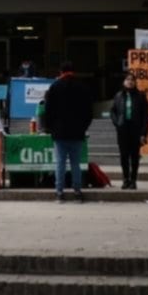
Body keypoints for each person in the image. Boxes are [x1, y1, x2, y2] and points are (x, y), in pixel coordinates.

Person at [42, 61, 94, 203]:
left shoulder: (55, 86)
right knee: (75, 163)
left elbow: (48, 111)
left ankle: (59, 192)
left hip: (59, 133)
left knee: (60, 163)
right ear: (73, 71)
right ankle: (77, 192)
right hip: (77, 132)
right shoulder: (82, 87)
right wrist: (83, 127)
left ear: (60, 71)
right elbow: (89, 111)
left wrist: (50, 128)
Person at [110, 73, 148, 190]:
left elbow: (146, 116)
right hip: (122, 130)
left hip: (136, 130)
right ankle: (125, 179)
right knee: (123, 156)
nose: (130, 81)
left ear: (135, 82)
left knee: (134, 156)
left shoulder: (141, 96)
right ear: (124, 82)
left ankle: (133, 180)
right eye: (127, 79)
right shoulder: (118, 96)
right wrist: (117, 122)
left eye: (132, 80)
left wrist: (143, 133)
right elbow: (113, 111)